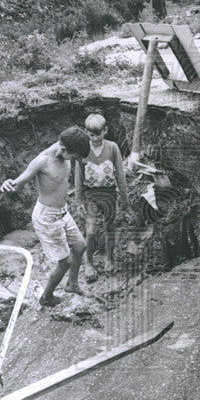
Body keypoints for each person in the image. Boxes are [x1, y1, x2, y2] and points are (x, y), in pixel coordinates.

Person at [0, 126, 90, 306]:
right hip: (46, 217)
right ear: (64, 150)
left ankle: (72, 284)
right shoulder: (42, 161)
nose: (77, 161)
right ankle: (46, 297)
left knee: (80, 246)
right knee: (65, 262)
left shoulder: (69, 146)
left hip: (62, 211)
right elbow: (20, 181)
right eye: (74, 157)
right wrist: (10, 183)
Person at [74, 113, 130, 280]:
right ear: (86, 133)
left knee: (109, 228)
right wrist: (78, 200)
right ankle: (88, 263)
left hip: (109, 194)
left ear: (105, 130)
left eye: (98, 134)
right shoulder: (83, 149)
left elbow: (120, 173)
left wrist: (125, 198)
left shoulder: (112, 148)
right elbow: (78, 175)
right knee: (90, 231)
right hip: (91, 195)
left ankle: (109, 258)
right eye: (91, 135)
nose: (95, 138)